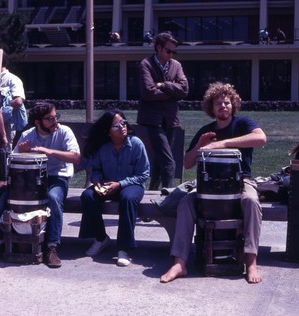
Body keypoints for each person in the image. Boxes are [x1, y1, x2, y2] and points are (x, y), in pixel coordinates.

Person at [160, 82, 267, 284]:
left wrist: (223, 143)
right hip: (208, 186)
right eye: (218, 103)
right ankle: (179, 262)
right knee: (185, 204)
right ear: (212, 107)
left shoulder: (243, 123)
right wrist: (201, 144)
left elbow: (261, 138)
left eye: (227, 102)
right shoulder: (206, 130)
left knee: (252, 202)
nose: (223, 106)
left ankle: (251, 261)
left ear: (233, 105)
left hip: (241, 180)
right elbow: (188, 163)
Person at [0, 102, 80, 268]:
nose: (55, 121)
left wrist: (48, 151)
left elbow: (76, 157)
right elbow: (12, 164)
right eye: (50, 119)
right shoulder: (27, 134)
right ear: (38, 122)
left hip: (56, 177)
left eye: (56, 117)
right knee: (5, 198)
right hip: (30, 179)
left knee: (53, 198)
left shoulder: (64, 132)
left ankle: (52, 247)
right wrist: (22, 152)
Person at [78, 110, 150, 267]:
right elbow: (95, 169)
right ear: (108, 131)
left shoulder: (136, 143)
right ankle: (100, 238)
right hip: (107, 184)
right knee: (88, 196)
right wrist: (96, 181)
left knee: (128, 198)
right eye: (117, 125)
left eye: (123, 122)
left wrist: (120, 184)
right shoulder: (103, 147)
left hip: (132, 185)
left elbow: (143, 174)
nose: (122, 127)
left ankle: (124, 248)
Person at [137, 32, 189, 190]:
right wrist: (173, 93)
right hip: (152, 120)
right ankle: (169, 198)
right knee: (168, 162)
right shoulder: (145, 64)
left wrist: (164, 85)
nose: (171, 54)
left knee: (160, 161)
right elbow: (148, 92)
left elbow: (185, 90)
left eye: (174, 52)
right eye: (168, 51)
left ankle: (152, 193)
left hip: (171, 119)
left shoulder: (176, 65)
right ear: (158, 48)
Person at [0, 58, 28, 151]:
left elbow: (18, 101)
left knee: (5, 150)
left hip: (6, 124)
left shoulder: (12, 79)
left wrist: (1, 113)